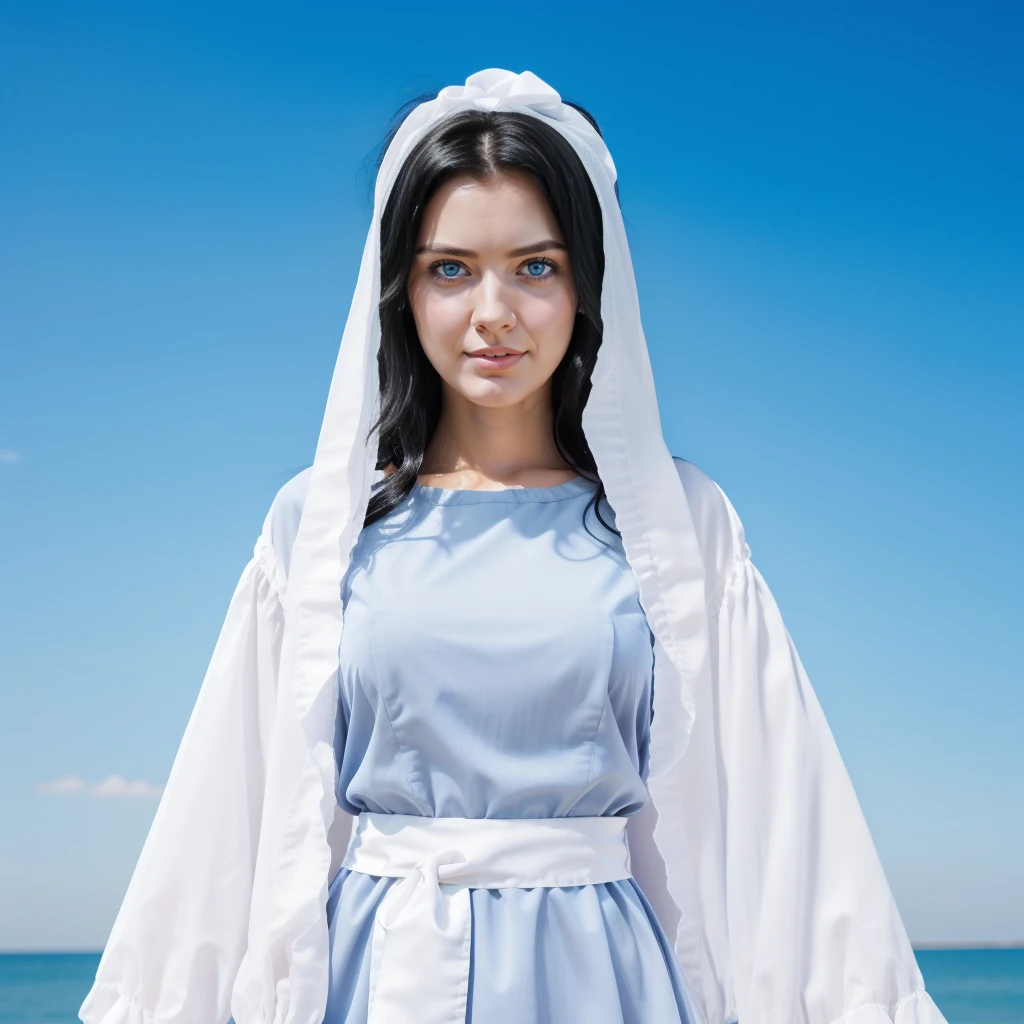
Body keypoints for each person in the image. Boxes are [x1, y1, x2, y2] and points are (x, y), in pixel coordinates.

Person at [79, 69, 948, 1024]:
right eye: (450, 268)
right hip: (381, 971)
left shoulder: (676, 522)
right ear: (401, 290)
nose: (493, 311)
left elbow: (781, 817)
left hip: (599, 975)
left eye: (535, 267)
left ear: (586, 284)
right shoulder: (321, 521)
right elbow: (230, 808)